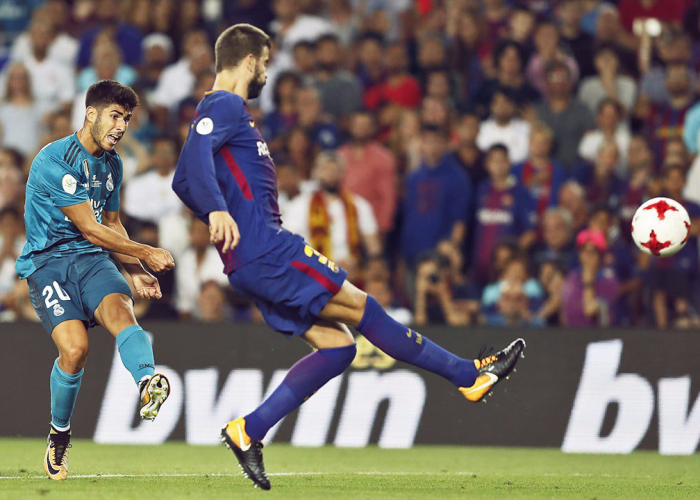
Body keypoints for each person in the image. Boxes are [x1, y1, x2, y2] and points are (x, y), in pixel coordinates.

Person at [172, 24, 525, 491]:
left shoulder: (233, 114)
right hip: (267, 250)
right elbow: (186, 168)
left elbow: (189, 179)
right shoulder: (223, 104)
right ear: (249, 60)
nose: (268, 72)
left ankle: (248, 430)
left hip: (252, 258)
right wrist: (218, 210)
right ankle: (468, 376)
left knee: (338, 348)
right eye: (266, 62)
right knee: (366, 309)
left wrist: (219, 216)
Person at [15, 80, 175, 480]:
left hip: (90, 261)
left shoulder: (113, 163)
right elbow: (89, 227)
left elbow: (112, 223)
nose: (122, 126)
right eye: (116, 116)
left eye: (127, 119)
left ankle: (148, 381)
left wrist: (134, 270)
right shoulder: (55, 160)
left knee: (122, 312)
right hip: (48, 263)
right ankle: (59, 435)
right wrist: (146, 253)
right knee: (75, 350)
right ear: (91, 114)